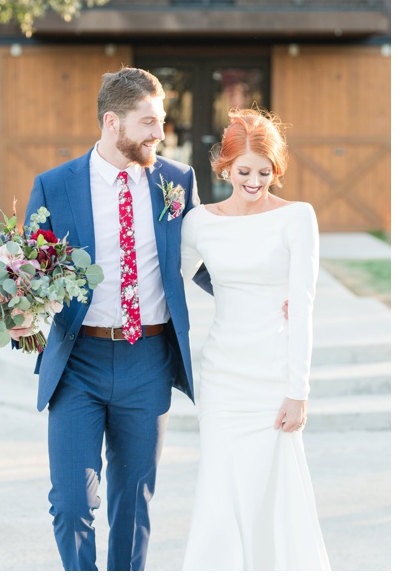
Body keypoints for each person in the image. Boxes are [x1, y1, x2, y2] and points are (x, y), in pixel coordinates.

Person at [18, 67, 210, 571]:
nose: (159, 134)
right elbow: (27, 275)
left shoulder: (177, 181)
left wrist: (261, 288)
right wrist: (18, 314)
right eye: (148, 122)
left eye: (161, 121)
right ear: (112, 122)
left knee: (132, 504)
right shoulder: (54, 186)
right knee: (71, 504)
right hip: (77, 362)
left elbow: (205, 261)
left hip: (147, 360)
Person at [180, 108, 331, 570]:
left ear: (276, 170)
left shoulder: (298, 218)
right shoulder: (198, 222)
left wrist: (297, 391)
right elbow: (166, 282)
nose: (253, 180)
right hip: (224, 374)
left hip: (272, 372)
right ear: (225, 167)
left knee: (275, 484)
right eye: (244, 171)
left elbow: (302, 304)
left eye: (264, 172)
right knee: (221, 485)